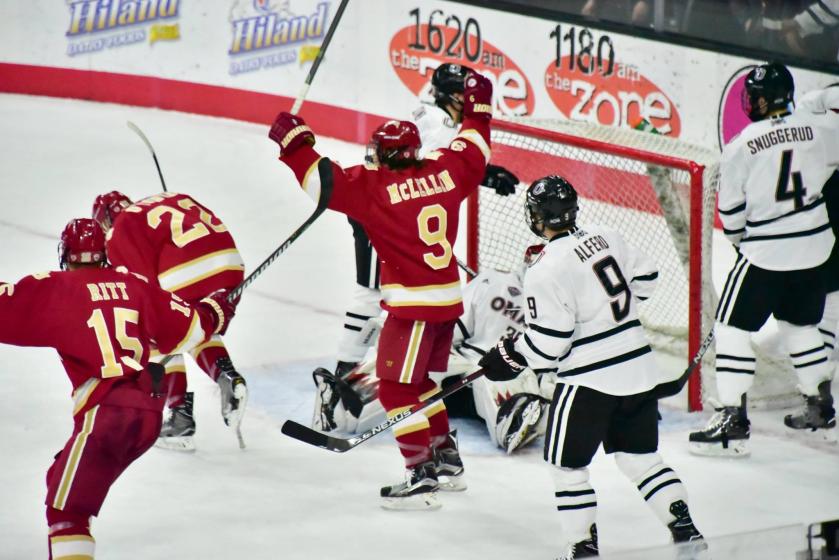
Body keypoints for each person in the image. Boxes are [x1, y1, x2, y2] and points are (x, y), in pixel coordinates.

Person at [269, 72, 494, 510]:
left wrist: (293, 144)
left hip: (413, 309)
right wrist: (479, 107)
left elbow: (321, 181)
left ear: (383, 154)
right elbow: (475, 145)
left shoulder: (374, 188)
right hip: (449, 303)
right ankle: (447, 463)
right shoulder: (446, 170)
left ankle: (420, 475)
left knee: (393, 389)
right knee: (422, 383)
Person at [477, 176, 703, 558]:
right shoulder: (605, 234)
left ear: (536, 217)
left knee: (566, 469)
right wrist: (612, 319)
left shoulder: (544, 268)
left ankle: (581, 546)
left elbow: (550, 343)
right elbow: (647, 277)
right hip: (639, 368)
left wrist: (511, 354)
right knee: (640, 459)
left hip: (588, 381)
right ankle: (684, 526)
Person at [0, 218, 235, 560]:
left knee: (67, 514)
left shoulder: (56, 287)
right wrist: (216, 309)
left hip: (106, 416)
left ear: (66, 254)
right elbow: (190, 330)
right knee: (59, 480)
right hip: (147, 416)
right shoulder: (134, 284)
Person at [323, 63, 520, 382]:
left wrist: (484, 174)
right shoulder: (440, 126)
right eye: (463, 95)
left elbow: (425, 169)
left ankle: (354, 366)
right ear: (453, 97)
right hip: (381, 214)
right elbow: (426, 175)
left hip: (385, 209)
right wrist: (483, 174)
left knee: (379, 291)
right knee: (371, 292)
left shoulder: (429, 115)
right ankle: (344, 370)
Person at [689, 63, 839, 457]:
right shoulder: (817, 130)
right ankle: (820, 407)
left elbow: (731, 214)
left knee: (731, 328)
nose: (750, 101)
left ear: (761, 100)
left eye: (754, 95)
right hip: (816, 247)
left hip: (767, 252)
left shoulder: (742, 144)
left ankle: (731, 419)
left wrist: (744, 244)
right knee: (801, 326)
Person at [312, 244, 555, 455]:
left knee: (504, 391)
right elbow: (453, 330)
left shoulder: (559, 307)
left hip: (507, 375)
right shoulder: (493, 282)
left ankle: (524, 416)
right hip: (463, 367)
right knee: (408, 360)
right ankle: (340, 404)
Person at [92, 190, 248, 452]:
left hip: (186, 271)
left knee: (154, 327)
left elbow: (142, 288)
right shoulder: (162, 201)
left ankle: (179, 415)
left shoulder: (119, 230)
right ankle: (227, 375)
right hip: (231, 266)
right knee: (198, 323)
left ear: (106, 221)